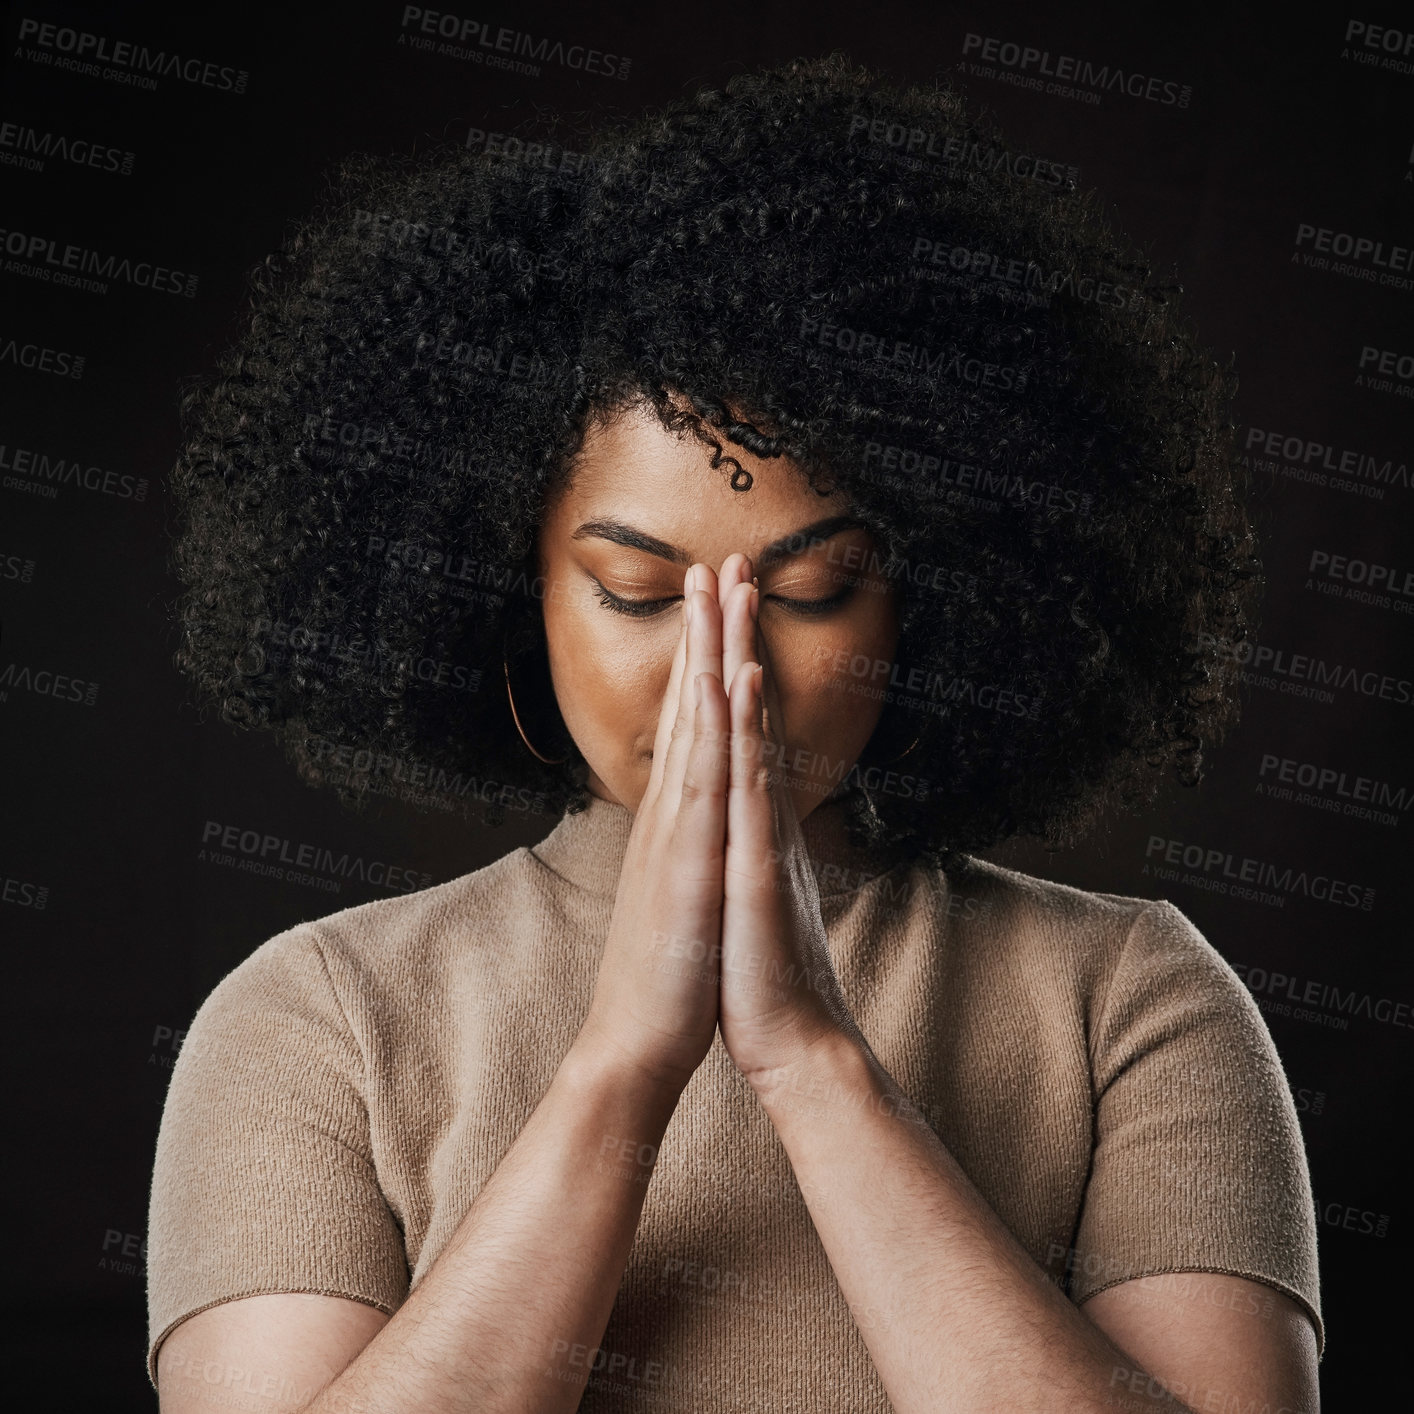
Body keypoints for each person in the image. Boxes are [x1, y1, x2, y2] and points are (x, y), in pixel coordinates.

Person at [146, 53, 1322, 1413]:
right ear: (506, 598)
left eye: (812, 588)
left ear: (928, 595)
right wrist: (620, 1072)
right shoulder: (317, 1017)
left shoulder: (1128, 997)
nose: (727, 668)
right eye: (637, 591)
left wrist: (812, 1063)